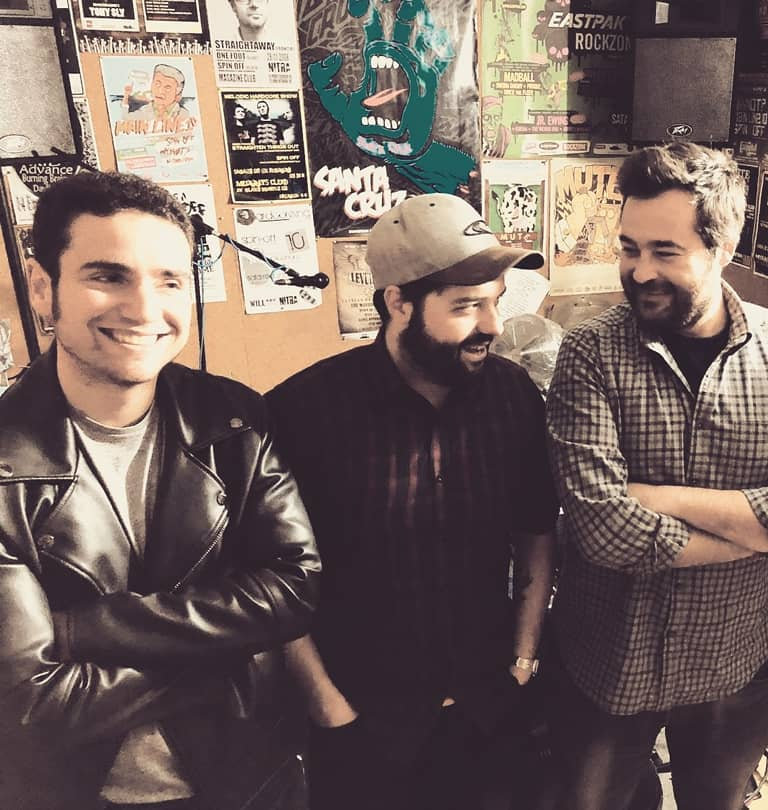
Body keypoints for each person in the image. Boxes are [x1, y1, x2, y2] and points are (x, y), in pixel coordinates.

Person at [544, 142, 768, 810]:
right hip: (609, 666)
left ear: (725, 247)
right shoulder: (589, 351)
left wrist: (658, 497)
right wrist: (766, 531)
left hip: (731, 666)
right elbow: (604, 532)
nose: (639, 271)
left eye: (665, 251)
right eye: (630, 248)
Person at [0, 170, 321, 810]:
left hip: (251, 777)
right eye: (108, 276)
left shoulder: (233, 419)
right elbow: (30, 702)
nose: (145, 309)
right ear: (42, 287)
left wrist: (83, 630)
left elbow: (294, 588)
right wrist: (227, 655)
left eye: (169, 280)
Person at [267, 193, 559, 810]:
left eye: (496, 300)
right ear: (398, 302)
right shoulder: (303, 412)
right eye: (466, 306)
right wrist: (328, 707)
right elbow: (269, 577)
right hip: (361, 721)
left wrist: (523, 658)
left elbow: (536, 528)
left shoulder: (512, 396)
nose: (493, 326)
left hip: (489, 707)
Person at [123, 64, 192, 123]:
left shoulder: (184, 115)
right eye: (157, 84)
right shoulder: (145, 111)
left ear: (177, 91)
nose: (160, 91)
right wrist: (126, 96)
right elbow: (125, 119)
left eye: (167, 87)